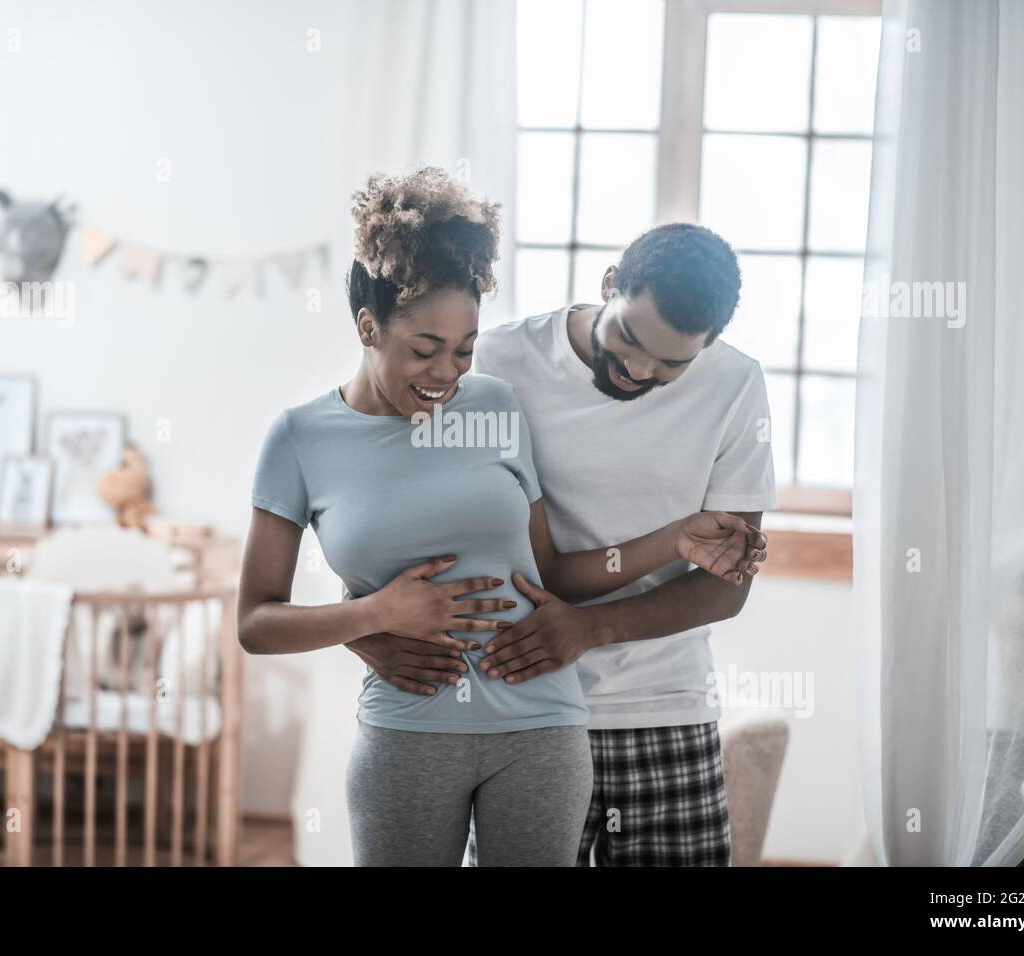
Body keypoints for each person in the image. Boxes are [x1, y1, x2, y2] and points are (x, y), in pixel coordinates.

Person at [239, 168, 766, 866]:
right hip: (417, 724)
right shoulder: (320, 431)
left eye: (462, 350)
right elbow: (272, 615)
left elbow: (553, 571)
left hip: (580, 717)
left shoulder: (493, 403)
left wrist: (667, 545)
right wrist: (369, 621)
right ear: (368, 326)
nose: (446, 373)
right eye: (427, 350)